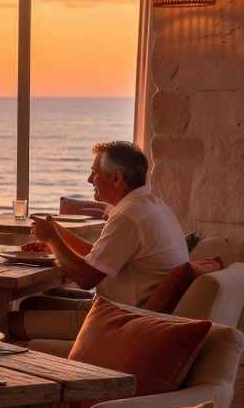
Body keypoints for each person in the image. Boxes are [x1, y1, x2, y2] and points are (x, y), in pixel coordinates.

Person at [11, 140, 188, 339]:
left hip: (122, 321)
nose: (89, 179)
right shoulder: (150, 205)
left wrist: (53, 240)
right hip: (122, 309)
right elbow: (99, 256)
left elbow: (86, 278)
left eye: (94, 172)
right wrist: (58, 233)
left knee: (10, 322)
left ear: (116, 178)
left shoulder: (128, 217)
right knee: (31, 304)